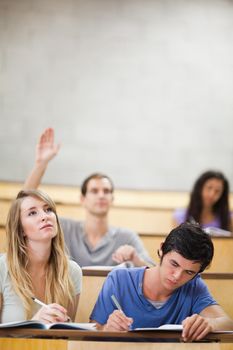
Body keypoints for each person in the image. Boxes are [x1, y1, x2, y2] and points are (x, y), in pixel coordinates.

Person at [23, 128, 154, 267]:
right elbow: (22, 205)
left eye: (106, 191)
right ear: (82, 199)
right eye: (94, 191)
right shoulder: (64, 228)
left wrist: (135, 259)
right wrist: (41, 164)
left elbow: (152, 270)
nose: (101, 195)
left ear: (112, 199)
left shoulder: (127, 237)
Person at [90, 223, 233, 342]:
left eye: (189, 272)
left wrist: (210, 323)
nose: (177, 276)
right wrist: (107, 329)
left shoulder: (194, 286)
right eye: (174, 264)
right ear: (161, 249)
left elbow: (228, 323)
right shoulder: (119, 279)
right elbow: (91, 332)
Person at [0, 189, 82, 323]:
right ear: (21, 229)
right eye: (32, 213)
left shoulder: (72, 271)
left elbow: (66, 334)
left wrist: (64, 322)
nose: (45, 216)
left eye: (48, 209)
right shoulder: (2, 268)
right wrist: (34, 323)